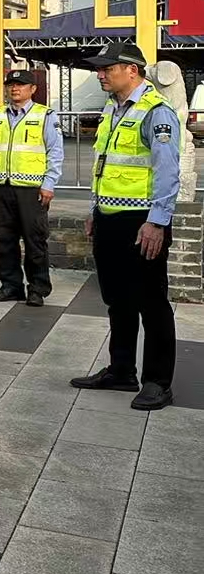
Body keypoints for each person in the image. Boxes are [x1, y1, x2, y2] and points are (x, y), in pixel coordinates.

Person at [70, 42, 180, 411]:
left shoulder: (156, 113)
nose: (100, 74)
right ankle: (121, 370)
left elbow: (167, 172)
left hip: (141, 222)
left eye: (107, 68)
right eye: (99, 69)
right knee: (117, 300)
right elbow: (104, 165)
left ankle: (158, 382)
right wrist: (95, 209)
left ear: (132, 70)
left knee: (152, 303)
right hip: (109, 218)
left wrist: (157, 222)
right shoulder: (113, 109)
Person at [0, 69, 63, 306]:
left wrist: (49, 183)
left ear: (32, 89)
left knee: (35, 241)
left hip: (32, 190)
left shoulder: (45, 115)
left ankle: (37, 289)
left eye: (21, 84)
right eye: (11, 85)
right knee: (3, 240)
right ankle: (10, 286)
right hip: (1, 187)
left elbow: (55, 152)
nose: (14, 89)